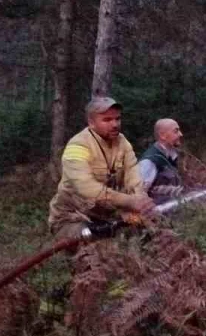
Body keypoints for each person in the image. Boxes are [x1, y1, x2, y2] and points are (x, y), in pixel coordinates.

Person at [48, 97, 154, 241]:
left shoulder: (123, 142)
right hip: (71, 218)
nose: (115, 124)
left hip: (107, 215)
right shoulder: (78, 146)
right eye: (107, 120)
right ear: (91, 123)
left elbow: (133, 175)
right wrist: (130, 202)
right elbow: (87, 188)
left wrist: (141, 199)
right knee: (95, 242)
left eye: (117, 119)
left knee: (146, 231)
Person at [137, 118, 185, 205]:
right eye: (176, 131)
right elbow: (138, 193)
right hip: (157, 215)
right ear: (162, 135)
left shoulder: (171, 155)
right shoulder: (149, 161)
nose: (181, 134)